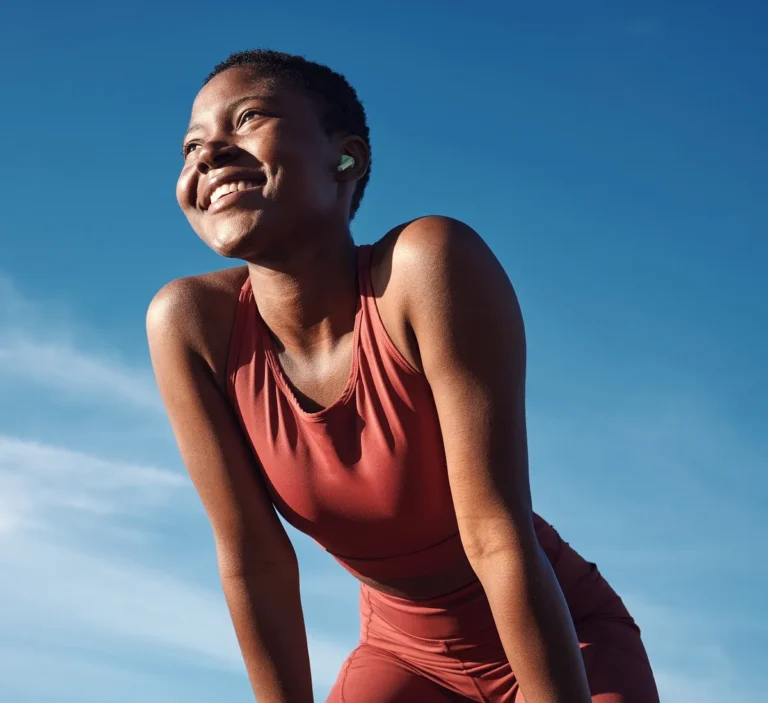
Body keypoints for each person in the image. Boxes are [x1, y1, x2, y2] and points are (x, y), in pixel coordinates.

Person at [147, 49, 659, 703]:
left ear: (346, 159)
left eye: (247, 118)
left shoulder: (426, 268)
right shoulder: (188, 324)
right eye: (191, 145)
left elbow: (494, 533)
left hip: (562, 640)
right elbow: (255, 559)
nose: (208, 155)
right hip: (402, 658)